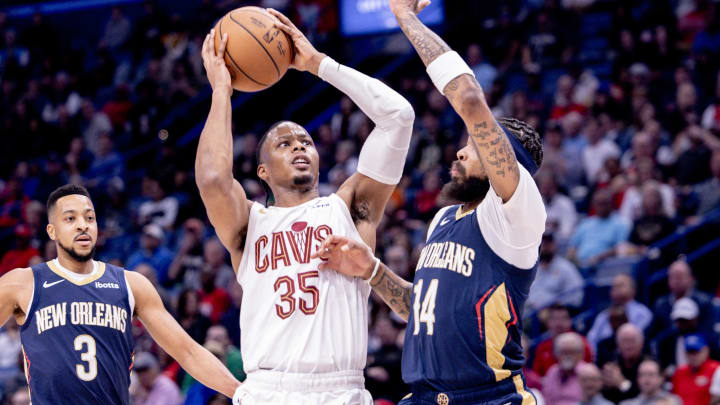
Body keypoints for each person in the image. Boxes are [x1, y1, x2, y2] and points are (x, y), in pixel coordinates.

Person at [311, 0, 546, 402]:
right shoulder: (445, 219)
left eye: (473, 146)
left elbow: (470, 100)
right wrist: (372, 271)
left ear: (500, 160)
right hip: (421, 396)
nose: (460, 152)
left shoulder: (517, 211)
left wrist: (405, 16)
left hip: (488, 397)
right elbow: (422, 308)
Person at [196, 7, 415, 403]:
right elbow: (213, 178)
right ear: (262, 171)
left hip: (340, 389)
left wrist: (318, 64)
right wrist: (221, 91)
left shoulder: (349, 207)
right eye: (284, 143)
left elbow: (398, 117)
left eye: (306, 142)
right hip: (269, 389)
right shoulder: (249, 224)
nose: (299, 145)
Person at [0, 185, 242, 404]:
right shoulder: (23, 283)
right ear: (52, 231)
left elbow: (187, 351)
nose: (83, 225)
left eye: (90, 218)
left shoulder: (131, 284)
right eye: (70, 218)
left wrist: (241, 392)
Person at [672, 334, 720, 405]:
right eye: (690, 352)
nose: (693, 356)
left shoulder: (716, 369)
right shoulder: (679, 372)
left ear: (706, 350)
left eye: (696, 351)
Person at [541, 333, 585, 404]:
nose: (567, 356)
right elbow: (546, 399)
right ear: (556, 354)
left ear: (580, 354)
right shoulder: (552, 372)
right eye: (563, 352)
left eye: (571, 352)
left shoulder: (587, 373)